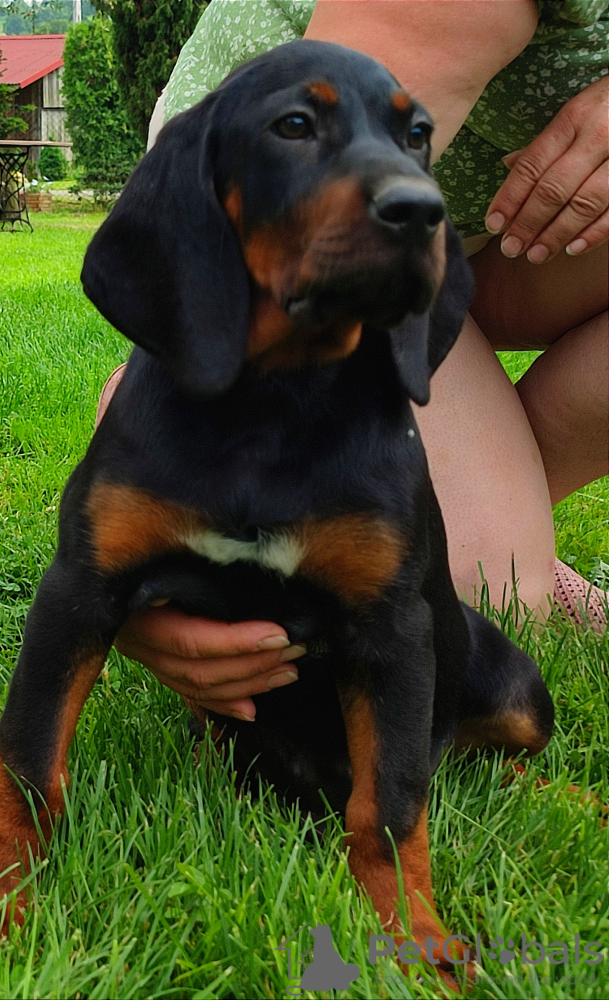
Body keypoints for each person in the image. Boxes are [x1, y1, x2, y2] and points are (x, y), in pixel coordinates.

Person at [96, 0, 608, 723]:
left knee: (432, 586)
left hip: (480, 241)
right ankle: (198, 435)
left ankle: (445, 502)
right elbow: (314, 168)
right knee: (491, 594)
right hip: (289, 235)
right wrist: (137, 555)